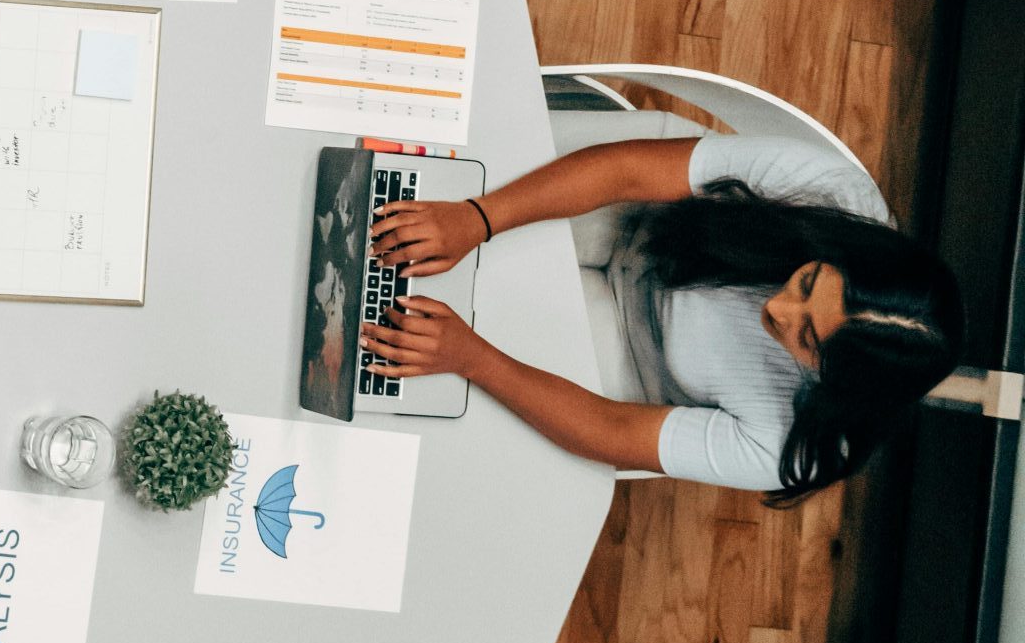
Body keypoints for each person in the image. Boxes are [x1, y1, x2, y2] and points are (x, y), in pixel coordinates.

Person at [365, 130, 963, 501]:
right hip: (641, 213)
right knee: (427, 196)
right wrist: (478, 217)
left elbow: (610, 430)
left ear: (838, 383)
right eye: (807, 282)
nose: (777, 309)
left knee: (422, 353)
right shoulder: (834, 193)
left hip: (630, 357)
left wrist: (472, 357)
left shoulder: (799, 447)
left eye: (806, 337)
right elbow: (626, 171)